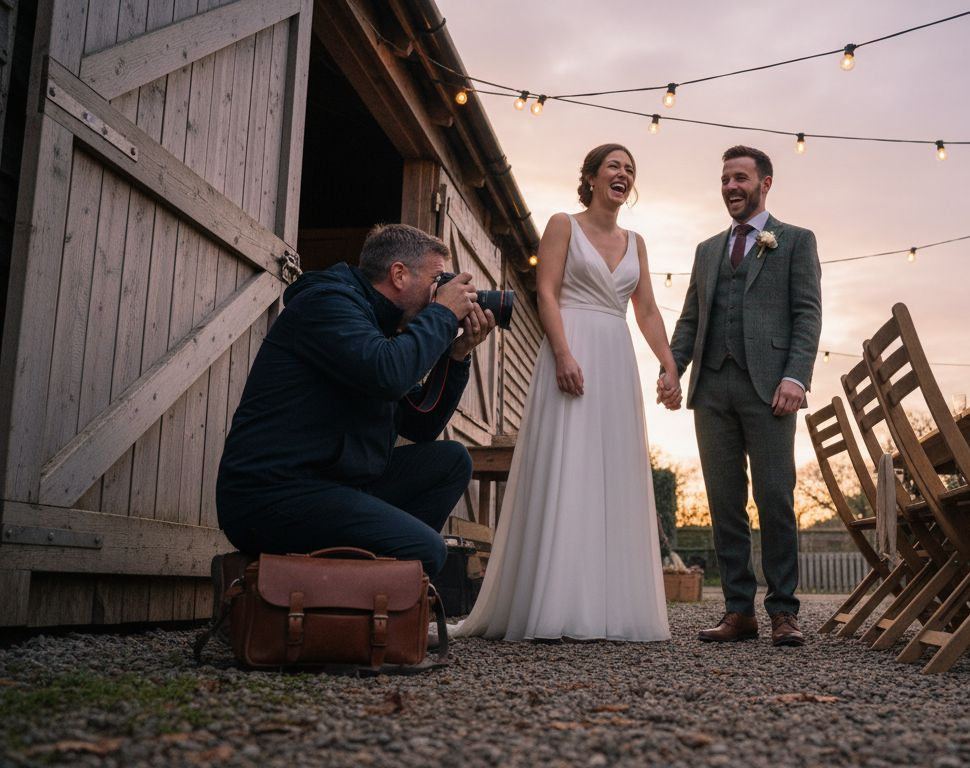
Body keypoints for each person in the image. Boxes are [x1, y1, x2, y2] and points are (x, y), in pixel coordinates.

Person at [448, 143, 679, 642]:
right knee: (567, 465)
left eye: (630, 169)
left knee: (611, 472)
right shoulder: (562, 225)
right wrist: (563, 353)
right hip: (570, 347)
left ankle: (608, 608)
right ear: (592, 177)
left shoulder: (636, 242)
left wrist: (668, 363)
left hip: (616, 358)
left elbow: (646, 311)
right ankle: (552, 603)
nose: (624, 174)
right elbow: (546, 291)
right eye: (614, 166)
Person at [216, 223, 496, 576]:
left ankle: (374, 594)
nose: (441, 294)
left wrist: (457, 356)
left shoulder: (378, 327)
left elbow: (421, 423)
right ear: (399, 274)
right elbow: (388, 374)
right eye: (437, 281)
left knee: (451, 460)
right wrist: (442, 314)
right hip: (273, 494)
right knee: (424, 549)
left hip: (335, 486)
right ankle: (359, 596)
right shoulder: (328, 304)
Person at [667, 145, 822, 646]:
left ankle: (783, 611)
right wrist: (673, 368)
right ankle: (739, 611)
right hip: (712, 387)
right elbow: (690, 318)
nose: (731, 187)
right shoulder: (707, 250)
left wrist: (796, 377)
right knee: (724, 501)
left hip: (770, 386)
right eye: (726, 179)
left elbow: (807, 313)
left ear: (765, 184)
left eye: (741, 178)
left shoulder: (796, 241)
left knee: (775, 496)